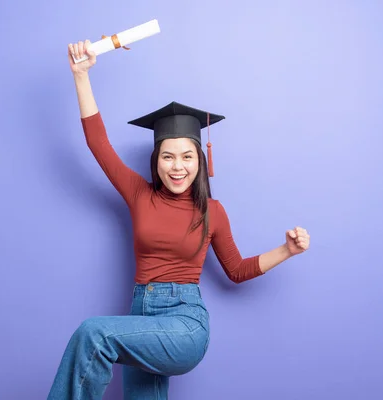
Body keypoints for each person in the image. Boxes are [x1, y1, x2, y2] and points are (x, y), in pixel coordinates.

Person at [47, 40, 311, 400]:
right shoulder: (139, 194)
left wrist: (287, 250)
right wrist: (81, 76)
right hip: (140, 315)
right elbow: (98, 144)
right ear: (156, 160)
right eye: (168, 157)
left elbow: (236, 270)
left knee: (93, 334)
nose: (177, 167)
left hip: (184, 324)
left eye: (187, 156)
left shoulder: (212, 212)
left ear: (199, 161)